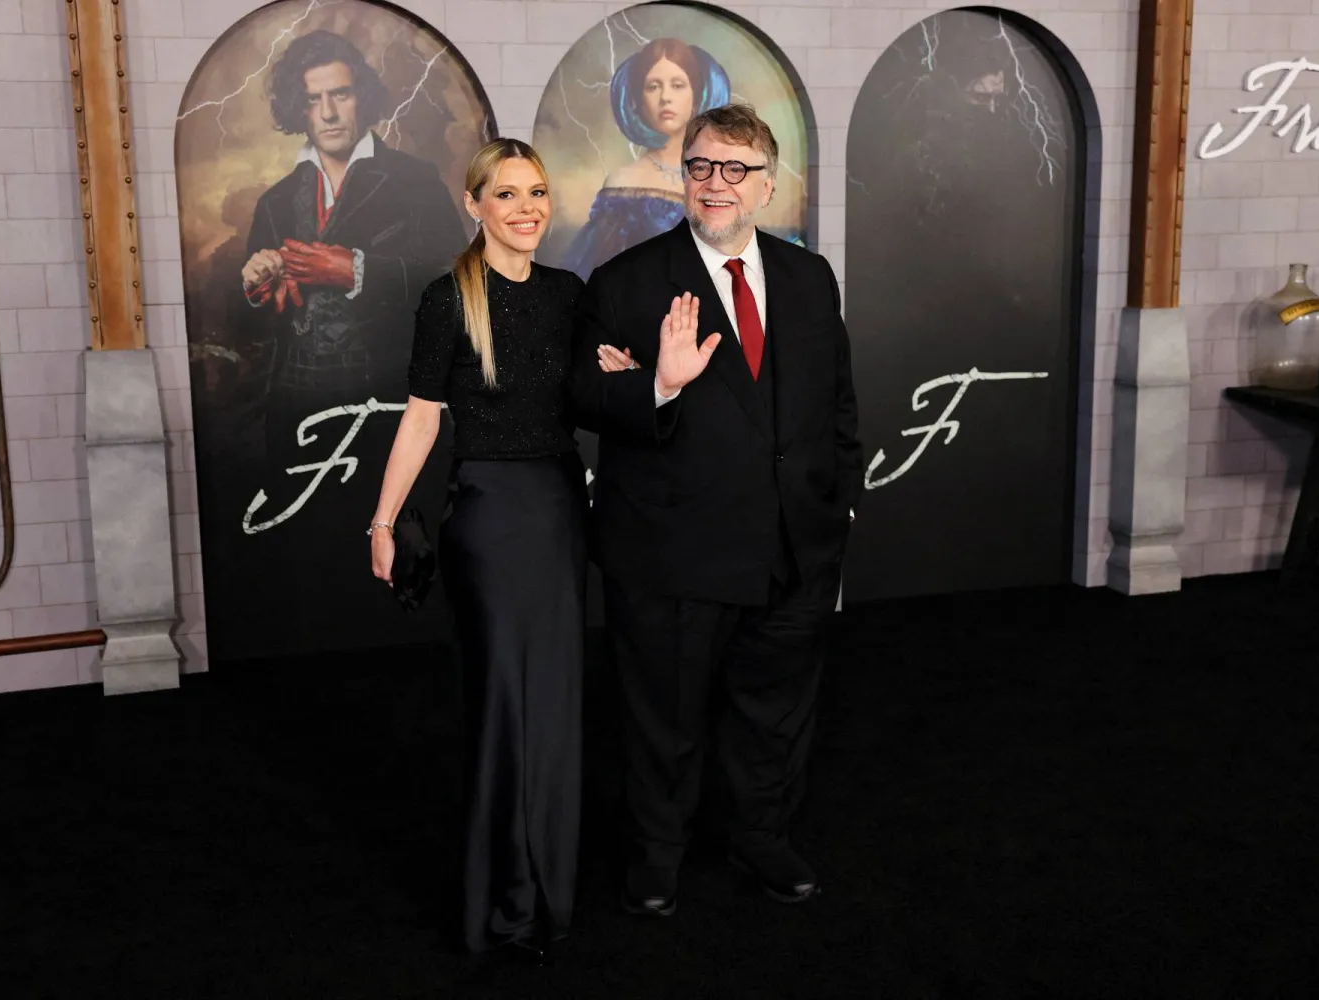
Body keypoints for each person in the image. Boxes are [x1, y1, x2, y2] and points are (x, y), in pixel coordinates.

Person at [569, 104, 864, 917]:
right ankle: (658, 854)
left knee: (774, 713)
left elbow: (837, 405)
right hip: (673, 554)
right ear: (683, 177)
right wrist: (658, 382)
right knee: (665, 718)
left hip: (793, 552)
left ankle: (760, 834)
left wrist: (837, 512)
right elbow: (585, 395)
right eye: (701, 166)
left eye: (736, 169)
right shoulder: (626, 281)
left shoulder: (810, 278)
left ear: (767, 186)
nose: (716, 184)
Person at [367, 138, 632, 960]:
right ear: (474, 204)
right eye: (508, 194)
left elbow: (588, 396)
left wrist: (625, 375)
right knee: (505, 705)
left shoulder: (568, 293)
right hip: (484, 516)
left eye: (539, 194)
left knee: (555, 703)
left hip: (557, 507)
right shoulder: (448, 299)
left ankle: (547, 894)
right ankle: (503, 904)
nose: (527, 210)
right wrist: (382, 521)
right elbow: (419, 416)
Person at [238, 29, 465, 466]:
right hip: (296, 408)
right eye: (311, 99)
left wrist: (360, 271)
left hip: (392, 404)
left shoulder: (415, 180)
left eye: (340, 94)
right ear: (297, 108)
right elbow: (254, 327)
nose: (327, 113)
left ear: (362, 96)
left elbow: (458, 280)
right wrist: (255, 287)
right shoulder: (276, 201)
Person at [556, 37, 730, 282]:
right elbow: (602, 275)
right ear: (638, 101)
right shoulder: (624, 181)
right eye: (653, 86)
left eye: (678, 85)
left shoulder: (723, 178)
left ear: (696, 96)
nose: (665, 97)